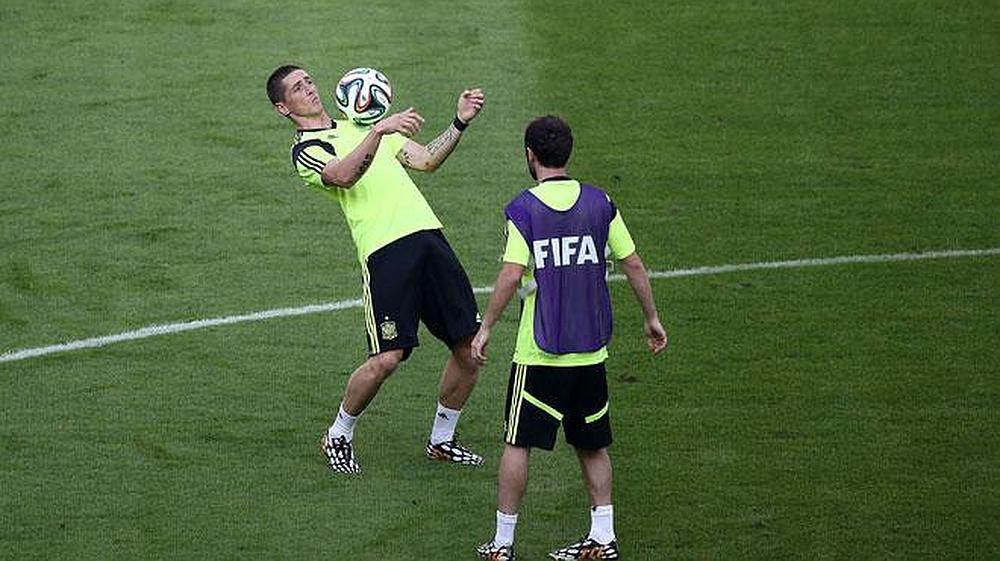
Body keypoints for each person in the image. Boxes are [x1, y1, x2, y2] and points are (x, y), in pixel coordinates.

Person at [265, 64, 486, 474]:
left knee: (470, 347)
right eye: (298, 87)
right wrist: (378, 132)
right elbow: (343, 176)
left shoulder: (362, 122)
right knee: (388, 358)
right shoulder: (308, 149)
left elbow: (425, 160)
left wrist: (459, 122)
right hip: (385, 251)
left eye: (310, 80)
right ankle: (339, 432)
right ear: (283, 108)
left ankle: (442, 440)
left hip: (429, 237)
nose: (310, 89)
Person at [471, 116, 667, 560]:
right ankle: (603, 536)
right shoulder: (601, 203)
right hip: (590, 351)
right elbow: (633, 264)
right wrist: (651, 318)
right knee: (591, 443)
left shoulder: (523, 209)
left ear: (530, 155)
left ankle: (502, 545)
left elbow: (509, 275)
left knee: (517, 443)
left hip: (539, 353)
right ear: (568, 153)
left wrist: (486, 328)